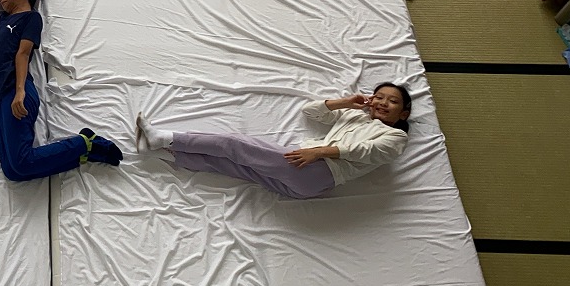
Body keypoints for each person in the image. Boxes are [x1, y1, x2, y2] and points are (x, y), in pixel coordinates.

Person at [0, 0, 123, 181]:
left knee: (22, 162)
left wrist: (19, 91)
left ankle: (84, 143)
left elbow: (23, 54)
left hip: (15, 90)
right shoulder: (3, 20)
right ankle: (84, 154)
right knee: (12, 171)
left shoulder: (31, 18)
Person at [137, 83, 412, 199]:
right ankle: (164, 153)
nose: (382, 102)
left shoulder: (396, 136)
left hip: (319, 169)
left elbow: (365, 151)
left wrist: (319, 152)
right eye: (379, 97)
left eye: (392, 101)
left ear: (404, 113)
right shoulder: (355, 116)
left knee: (235, 146)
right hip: (306, 187)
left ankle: (166, 138)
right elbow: (310, 111)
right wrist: (345, 103)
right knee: (234, 166)